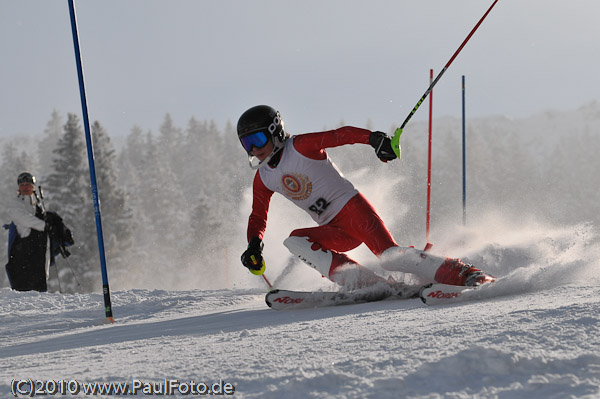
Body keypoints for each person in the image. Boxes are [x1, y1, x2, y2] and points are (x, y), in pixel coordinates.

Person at [238, 105, 494, 290]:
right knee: (295, 240)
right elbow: (258, 216)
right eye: (247, 144)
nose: (255, 149)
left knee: (390, 257)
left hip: (353, 210)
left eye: (257, 139)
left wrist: (373, 139)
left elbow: (340, 135)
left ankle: (464, 274)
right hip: (332, 228)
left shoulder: (300, 146)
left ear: (275, 131)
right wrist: (254, 245)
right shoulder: (263, 178)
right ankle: (365, 283)